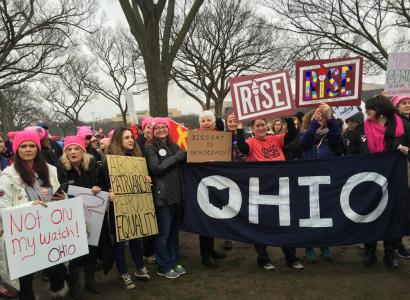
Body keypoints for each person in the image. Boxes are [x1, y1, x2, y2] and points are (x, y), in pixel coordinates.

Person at [0, 131, 67, 299]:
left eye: (32, 146)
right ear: (16, 150)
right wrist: (30, 206)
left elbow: (57, 194)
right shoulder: (7, 176)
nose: (28, 149)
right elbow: (2, 209)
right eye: (23, 146)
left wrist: (62, 198)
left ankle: (57, 291)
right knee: (25, 278)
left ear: (38, 148)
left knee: (56, 267)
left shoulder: (50, 171)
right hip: (22, 235)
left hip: (50, 230)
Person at [348, 95, 410, 268]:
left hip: (393, 182)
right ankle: (370, 252)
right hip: (368, 182)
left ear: (381, 112)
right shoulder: (360, 131)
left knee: (391, 216)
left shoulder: (403, 127)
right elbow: (352, 154)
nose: (366, 111)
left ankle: (390, 254)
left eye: (370, 108)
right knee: (370, 216)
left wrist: (406, 151)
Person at [236, 117, 304, 270]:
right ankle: (264, 258)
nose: (261, 128)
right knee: (259, 224)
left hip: (279, 189)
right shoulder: (251, 143)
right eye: (257, 126)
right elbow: (242, 148)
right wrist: (239, 126)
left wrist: (287, 116)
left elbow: (292, 135)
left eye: (263, 125)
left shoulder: (275, 139)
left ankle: (291, 257)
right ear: (252, 129)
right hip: (259, 191)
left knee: (284, 223)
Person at [59, 135, 114, 299]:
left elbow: (104, 185)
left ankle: (90, 282)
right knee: (74, 253)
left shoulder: (92, 167)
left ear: (83, 151)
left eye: (77, 148)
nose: (73, 152)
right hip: (71, 219)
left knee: (92, 249)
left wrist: (99, 187)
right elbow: (57, 191)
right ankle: (74, 286)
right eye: (70, 149)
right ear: (65, 152)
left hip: (92, 218)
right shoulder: (60, 169)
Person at [103, 127, 151, 289]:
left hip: (135, 204)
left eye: (132, 137)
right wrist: (108, 193)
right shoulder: (108, 161)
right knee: (120, 241)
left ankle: (139, 267)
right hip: (117, 206)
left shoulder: (138, 158)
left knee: (136, 236)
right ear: (118, 141)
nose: (131, 140)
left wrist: (147, 180)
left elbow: (143, 182)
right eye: (126, 138)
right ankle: (124, 273)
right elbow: (103, 184)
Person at [145, 117, 187, 279]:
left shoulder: (174, 145)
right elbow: (156, 168)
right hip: (163, 197)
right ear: (153, 131)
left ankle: (174, 260)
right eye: (158, 128)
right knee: (163, 233)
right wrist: (178, 157)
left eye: (164, 127)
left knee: (174, 232)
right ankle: (163, 265)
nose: (161, 130)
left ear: (168, 129)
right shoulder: (151, 148)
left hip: (178, 194)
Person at [299, 103, 341, 262]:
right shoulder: (305, 136)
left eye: (322, 119)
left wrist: (329, 116)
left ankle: (324, 245)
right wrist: (314, 123)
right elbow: (303, 144)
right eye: (317, 119)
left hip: (326, 181)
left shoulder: (329, 138)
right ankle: (309, 246)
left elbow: (337, 136)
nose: (320, 121)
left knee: (325, 213)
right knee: (310, 215)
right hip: (309, 182)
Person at [197, 110, 227, 268]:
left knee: (214, 217)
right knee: (205, 219)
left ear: (214, 123)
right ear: (200, 124)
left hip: (217, 181)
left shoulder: (221, 138)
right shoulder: (194, 139)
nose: (206, 123)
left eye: (209, 120)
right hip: (201, 183)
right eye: (204, 121)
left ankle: (211, 249)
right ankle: (205, 254)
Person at [390, 96, 410, 259]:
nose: (408, 105)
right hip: (401, 168)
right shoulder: (396, 123)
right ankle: (396, 244)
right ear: (396, 106)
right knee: (401, 206)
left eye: (409, 102)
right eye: (404, 102)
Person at [136, 116, 157, 264]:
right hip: (143, 184)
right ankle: (146, 251)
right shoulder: (138, 144)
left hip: (156, 183)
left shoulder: (156, 143)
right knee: (147, 218)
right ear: (143, 130)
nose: (150, 129)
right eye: (147, 127)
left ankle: (153, 248)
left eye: (152, 127)